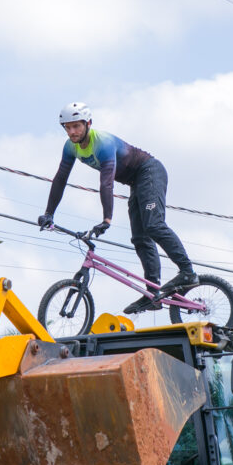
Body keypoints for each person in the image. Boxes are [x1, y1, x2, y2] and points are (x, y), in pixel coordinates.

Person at [37, 101, 197, 313]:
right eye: (68, 127)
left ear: (88, 124)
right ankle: (154, 293)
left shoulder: (102, 143)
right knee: (140, 238)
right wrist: (49, 213)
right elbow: (60, 179)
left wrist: (107, 219)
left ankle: (187, 272)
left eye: (76, 126)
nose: (72, 131)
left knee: (153, 225)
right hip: (136, 183)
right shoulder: (70, 147)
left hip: (150, 172)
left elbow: (106, 182)